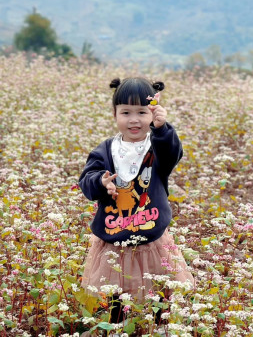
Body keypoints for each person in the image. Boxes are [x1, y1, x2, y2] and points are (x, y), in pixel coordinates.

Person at [79, 77, 194, 324]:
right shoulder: (105, 149)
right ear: (115, 114)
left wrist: (163, 129)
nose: (134, 119)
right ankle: (117, 325)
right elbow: (86, 181)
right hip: (114, 237)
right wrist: (101, 181)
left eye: (142, 112)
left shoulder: (157, 146)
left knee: (160, 288)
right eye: (126, 112)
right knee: (115, 292)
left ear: (152, 113)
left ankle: (159, 326)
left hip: (151, 236)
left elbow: (173, 154)